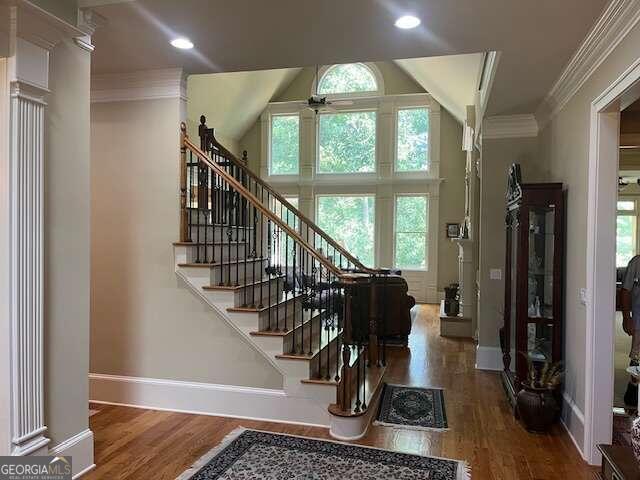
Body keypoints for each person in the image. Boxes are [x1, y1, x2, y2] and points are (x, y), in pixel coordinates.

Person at [621, 255, 640, 407]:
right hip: (639, 318)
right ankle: (633, 390)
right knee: (638, 355)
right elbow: (625, 291)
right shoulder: (636, 262)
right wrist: (627, 318)